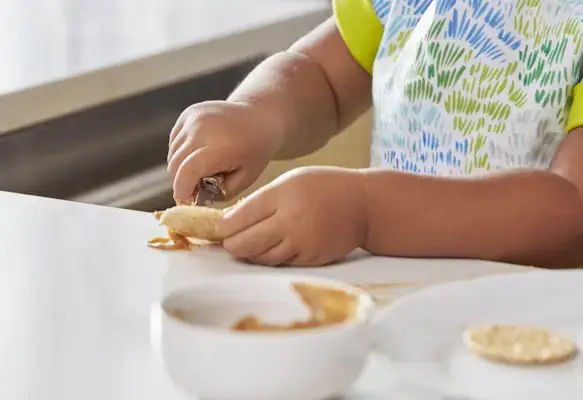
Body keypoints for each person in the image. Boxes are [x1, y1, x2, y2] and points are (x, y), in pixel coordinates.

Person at [167, 0, 583, 268]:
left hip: (538, 325)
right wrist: (256, 114)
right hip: (402, 309)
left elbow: (573, 207)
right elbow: (323, 76)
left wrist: (367, 211)